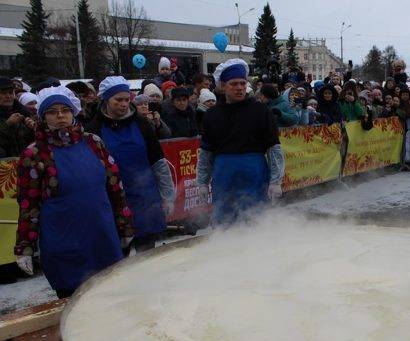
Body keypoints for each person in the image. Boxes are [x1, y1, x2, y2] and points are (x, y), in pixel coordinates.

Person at [14, 86, 134, 298]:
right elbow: (28, 205)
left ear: (73, 111)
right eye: (52, 111)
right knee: (74, 301)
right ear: (42, 117)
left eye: (65, 109)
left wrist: (124, 227)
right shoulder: (34, 154)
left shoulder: (94, 143)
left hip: (101, 234)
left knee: (112, 297)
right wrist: (25, 246)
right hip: (63, 239)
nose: (60, 115)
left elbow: (115, 188)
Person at [87, 76, 175, 252]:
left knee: (147, 256)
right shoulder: (94, 129)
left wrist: (167, 196)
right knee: (118, 258)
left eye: (127, 99)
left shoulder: (142, 124)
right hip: (113, 202)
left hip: (145, 198)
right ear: (106, 100)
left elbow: (158, 161)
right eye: (118, 100)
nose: (124, 104)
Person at [196, 59, 285, 226]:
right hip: (224, 177)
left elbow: (274, 148)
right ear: (223, 85)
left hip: (255, 175)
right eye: (234, 84)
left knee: (256, 221)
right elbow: (206, 153)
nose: (239, 88)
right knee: (224, 221)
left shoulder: (260, 111)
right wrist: (202, 182)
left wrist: (276, 181)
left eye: (242, 83)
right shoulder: (211, 115)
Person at [0, 77, 36, 158]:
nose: (8, 96)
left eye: (10, 93)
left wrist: (33, 128)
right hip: (4, 166)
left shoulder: (24, 112)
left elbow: (35, 141)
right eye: (3, 93)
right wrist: (7, 125)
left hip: (25, 163)